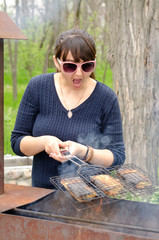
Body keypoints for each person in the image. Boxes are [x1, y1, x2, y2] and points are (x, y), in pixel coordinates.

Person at [11, 29, 125, 189]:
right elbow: (17, 142)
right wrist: (44, 141)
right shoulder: (38, 87)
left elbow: (118, 156)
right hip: (42, 195)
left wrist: (84, 152)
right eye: (70, 66)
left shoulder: (106, 98)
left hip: (91, 198)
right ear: (57, 62)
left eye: (87, 66)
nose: (79, 74)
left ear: (95, 62)